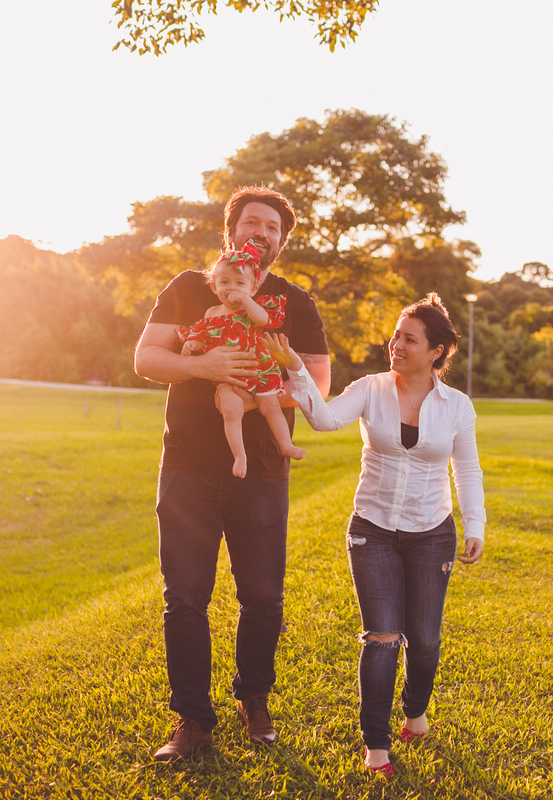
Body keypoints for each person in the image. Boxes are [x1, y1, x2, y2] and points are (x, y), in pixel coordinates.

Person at [134, 186, 331, 762]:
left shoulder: (295, 302)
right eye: (251, 222)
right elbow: (146, 359)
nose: (260, 233)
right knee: (185, 598)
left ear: (280, 243)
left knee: (264, 598)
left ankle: (255, 700)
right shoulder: (189, 288)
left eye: (272, 228)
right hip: (188, 469)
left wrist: (248, 403)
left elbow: (316, 385)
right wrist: (204, 366)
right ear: (231, 230)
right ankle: (192, 720)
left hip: (263, 471)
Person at [264, 293, 485, 780]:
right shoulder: (371, 388)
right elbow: (322, 419)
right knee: (382, 637)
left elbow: (466, 467)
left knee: (424, 641)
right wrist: (296, 368)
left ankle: (415, 712)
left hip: (432, 532)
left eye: (409, 338)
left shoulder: (457, 406)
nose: (396, 344)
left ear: (436, 352)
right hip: (373, 529)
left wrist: (476, 524)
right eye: (396, 335)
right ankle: (377, 746)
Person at [178, 241, 305, 477]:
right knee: (230, 409)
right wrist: (193, 344)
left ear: (253, 288)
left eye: (239, 283)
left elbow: (262, 320)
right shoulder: (212, 313)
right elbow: (204, 335)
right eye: (224, 282)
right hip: (227, 376)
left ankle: (286, 444)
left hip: (259, 371)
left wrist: (246, 301)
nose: (232, 288)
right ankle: (240, 456)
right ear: (214, 287)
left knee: (272, 408)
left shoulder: (251, 308)